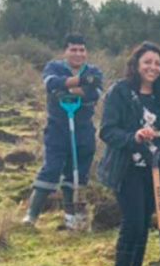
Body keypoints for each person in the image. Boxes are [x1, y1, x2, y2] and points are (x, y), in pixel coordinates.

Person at [98, 41, 160, 266]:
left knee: (146, 222)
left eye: (157, 63)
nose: (153, 67)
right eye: (147, 62)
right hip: (127, 169)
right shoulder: (120, 92)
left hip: (154, 169)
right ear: (136, 64)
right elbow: (107, 131)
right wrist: (133, 137)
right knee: (132, 221)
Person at [23, 33, 103, 228]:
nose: (78, 54)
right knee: (51, 169)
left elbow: (94, 93)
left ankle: (72, 216)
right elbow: (51, 84)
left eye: (81, 50)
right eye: (73, 50)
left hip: (84, 129)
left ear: (86, 52)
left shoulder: (94, 71)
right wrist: (82, 82)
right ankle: (31, 216)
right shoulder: (54, 67)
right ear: (65, 52)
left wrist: (66, 87)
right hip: (57, 128)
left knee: (77, 173)